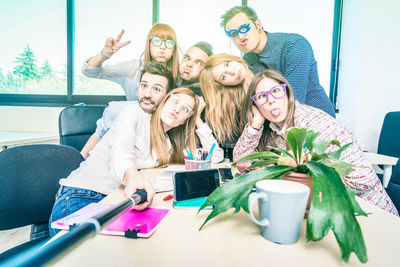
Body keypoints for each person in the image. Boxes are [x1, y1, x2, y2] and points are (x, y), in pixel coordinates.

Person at [49, 88, 223, 237]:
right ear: (165, 100)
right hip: (82, 196)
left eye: (185, 109)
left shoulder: (169, 144)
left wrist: (198, 119)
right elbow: (121, 151)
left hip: (118, 201)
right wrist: (131, 176)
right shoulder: (136, 113)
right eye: (175, 101)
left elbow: (215, 156)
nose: (177, 109)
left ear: (185, 120)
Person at [233, 70, 398, 216]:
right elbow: (242, 167)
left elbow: (364, 180)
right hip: (323, 210)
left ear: (287, 93)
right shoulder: (272, 132)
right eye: (262, 96)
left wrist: (294, 178)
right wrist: (255, 125)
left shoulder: (315, 123)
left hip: (368, 212)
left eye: (276, 91)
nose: (271, 100)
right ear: (255, 104)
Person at [220, 6, 336, 118]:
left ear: (258, 24)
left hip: (318, 120)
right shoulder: (247, 61)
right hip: (279, 125)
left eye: (244, 28)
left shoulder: (294, 44)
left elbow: (293, 99)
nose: (240, 36)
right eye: (233, 33)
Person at [81, 62, 174, 159]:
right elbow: (96, 139)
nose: (147, 94)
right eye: (144, 85)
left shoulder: (169, 120)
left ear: (167, 96)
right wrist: (76, 166)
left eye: (156, 89)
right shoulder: (117, 110)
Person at [82, 23, 179, 100]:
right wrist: (104, 55)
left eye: (169, 43)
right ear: (149, 44)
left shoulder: (180, 73)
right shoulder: (132, 68)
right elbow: (89, 72)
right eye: (157, 41)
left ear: (173, 50)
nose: (163, 46)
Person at [199, 54, 253, 160]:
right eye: (224, 76)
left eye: (227, 64)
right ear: (222, 85)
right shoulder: (233, 103)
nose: (232, 72)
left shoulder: (266, 80)